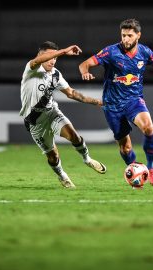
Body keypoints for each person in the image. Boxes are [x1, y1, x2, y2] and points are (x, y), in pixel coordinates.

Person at [79, 18, 153, 186]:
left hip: (133, 100)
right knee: (126, 148)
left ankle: (150, 169)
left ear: (138, 35)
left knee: (149, 128)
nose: (125, 39)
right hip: (112, 105)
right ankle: (135, 170)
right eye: (123, 35)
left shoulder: (145, 52)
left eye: (129, 35)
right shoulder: (110, 52)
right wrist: (85, 72)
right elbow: (85, 64)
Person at [20, 41, 107, 188]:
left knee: (74, 135)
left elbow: (71, 93)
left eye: (55, 57)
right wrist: (64, 51)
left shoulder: (55, 74)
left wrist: (97, 102)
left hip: (51, 112)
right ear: (40, 55)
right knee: (53, 156)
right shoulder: (32, 68)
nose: (52, 60)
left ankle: (87, 159)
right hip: (35, 121)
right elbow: (38, 61)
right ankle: (62, 176)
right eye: (49, 56)